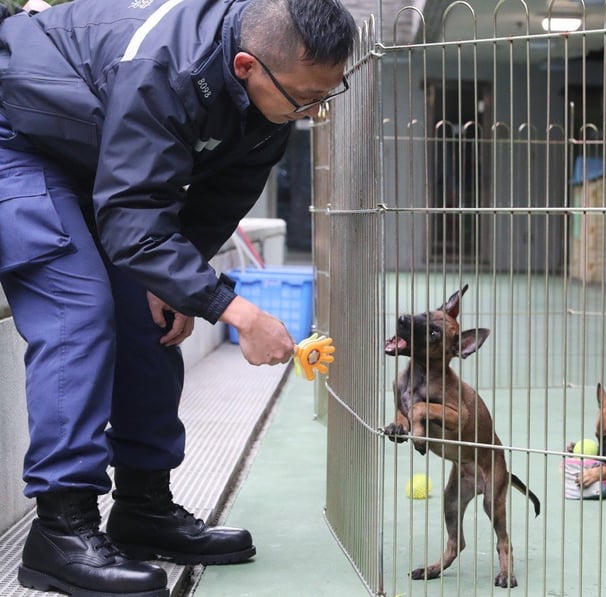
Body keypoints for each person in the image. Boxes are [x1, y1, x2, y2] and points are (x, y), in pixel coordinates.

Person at [0, 0, 356, 595]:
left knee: (149, 316)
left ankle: (144, 508)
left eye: (327, 95)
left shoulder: (268, 105)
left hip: (97, 157)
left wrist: (181, 289)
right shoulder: (163, 71)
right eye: (304, 99)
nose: (315, 112)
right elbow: (133, 220)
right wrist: (234, 309)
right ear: (247, 66)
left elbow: (215, 204)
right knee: (80, 308)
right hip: (18, 137)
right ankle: (60, 531)